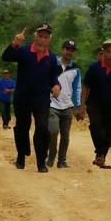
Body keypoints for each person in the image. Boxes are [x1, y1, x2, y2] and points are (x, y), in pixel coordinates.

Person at [2, 24, 61, 173]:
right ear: (35, 37)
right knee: (22, 127)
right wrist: (15, 43)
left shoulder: (52, 57)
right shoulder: (24, 51)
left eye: (46, 37)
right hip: (22, 97)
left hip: (41, 98)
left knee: (42, 128)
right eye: (40, 36)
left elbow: (54, 77)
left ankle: (41, 161)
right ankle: (21, 155)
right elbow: (6, 57)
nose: (42, 39)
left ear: (49, 40)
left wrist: (56, 86)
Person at [77, 39, 111, 169]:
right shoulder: (94, 68)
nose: (110, 54)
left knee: (109, 132)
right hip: (94, 104)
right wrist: (82, 106)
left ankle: (101, 156)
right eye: (108, 52)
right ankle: (100, 153)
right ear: (103, 52)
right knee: (95, 125)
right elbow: (85, 86)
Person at [46, 39, 81, 168]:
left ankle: (62, 161)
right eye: (67, 49)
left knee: (65, 135)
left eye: (72, 50)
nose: (69, 52)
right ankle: (51, 156)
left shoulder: (75, 68)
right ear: (62, 50)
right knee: (53, 131)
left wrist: (77, 106)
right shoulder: (52, 62)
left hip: (67, 105)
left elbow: (77, 88)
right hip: (52, 103)